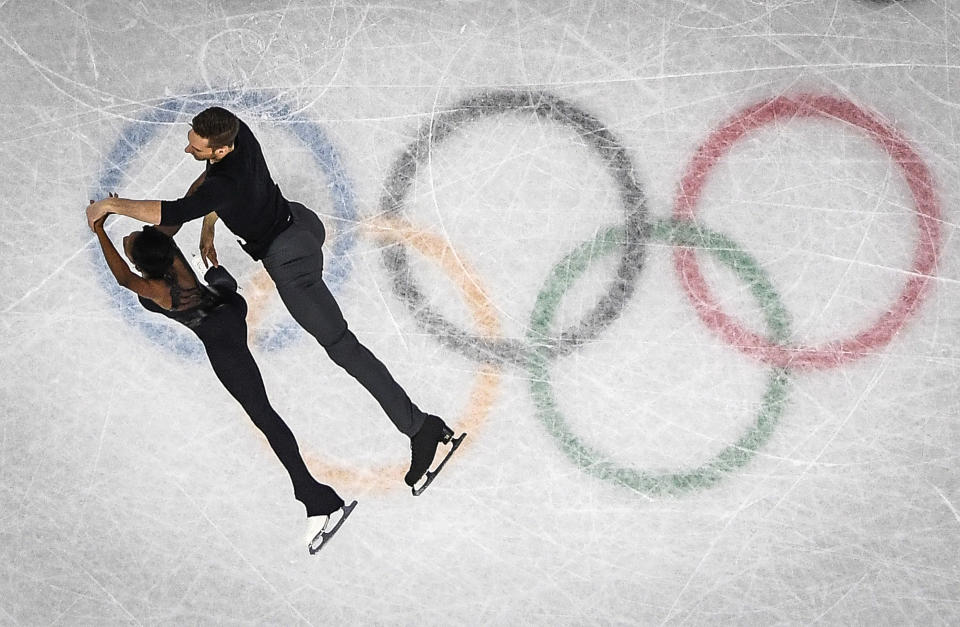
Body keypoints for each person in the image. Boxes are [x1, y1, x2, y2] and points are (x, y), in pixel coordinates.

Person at [86, 107, 459, 492]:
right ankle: (419, 424)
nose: (187, 150)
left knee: (342, 347)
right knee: (330, 324)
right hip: (301, 223)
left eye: (196, 148)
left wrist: (112, 206)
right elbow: (205, 192)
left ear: (221, 149)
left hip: (291, 262)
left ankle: (421, 426)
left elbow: (179, 209)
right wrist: (211, 223)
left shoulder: (225, 182)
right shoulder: (238, 133)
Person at [91, 205, 354, 552]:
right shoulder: (164, 246)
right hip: (227, 303)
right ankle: (313, 495)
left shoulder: (157, 290)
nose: (129, 237)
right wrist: (112, 213)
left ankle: (316, 498)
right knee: (220, 287)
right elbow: (170, 217)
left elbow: (125, 278)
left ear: (142, 267)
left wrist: (99, 231)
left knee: (264, 415)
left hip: (221, 336)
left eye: (131, 243)